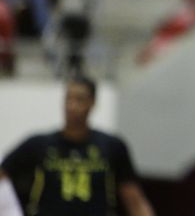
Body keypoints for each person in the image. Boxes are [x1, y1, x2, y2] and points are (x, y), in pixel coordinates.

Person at [0, 75, 155, 216]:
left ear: (92, 103)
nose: (72, 106)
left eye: (79, 99)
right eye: (68, 99)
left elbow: (134, 201)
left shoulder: (112, 146)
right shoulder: (39, 144)